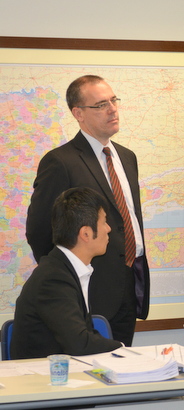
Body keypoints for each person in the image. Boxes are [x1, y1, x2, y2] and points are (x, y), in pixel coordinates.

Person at [26, 75, 150, 346]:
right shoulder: (61, 162)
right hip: (88, 290)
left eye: (114, 101)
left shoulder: (127, 157)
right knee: (89, 364)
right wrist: (65, 280)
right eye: (101, 105)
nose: (112, 109)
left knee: (122, 362)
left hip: (129, 283)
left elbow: (127, 220)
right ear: (78, 113)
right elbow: (39, 231)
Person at [12, 187, 123, 359]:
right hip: (44, 374)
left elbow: (85, 335)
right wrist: (122, 349)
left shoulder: (66, 268)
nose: (108, 228)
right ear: (86, 233)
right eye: (104, 222)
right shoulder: (53, 278)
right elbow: (79, 343)